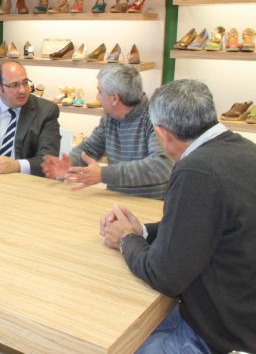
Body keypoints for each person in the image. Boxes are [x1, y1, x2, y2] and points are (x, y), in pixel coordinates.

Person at [100, 79, 256, 354]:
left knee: (113, 342)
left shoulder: (196, 171)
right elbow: (201, 227)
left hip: (218, 335)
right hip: (240, 315)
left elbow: (163, 276)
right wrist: (142, 231)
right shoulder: (244, 149)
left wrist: (126, 239)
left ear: (162, 134)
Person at [42, 64, 173, 199]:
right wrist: (71, 163)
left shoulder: (155, 119)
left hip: (150, 204)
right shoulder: (110, 118)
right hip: (115, 199)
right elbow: (89, 149)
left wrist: (103, 174)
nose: (97, 97)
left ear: (114, 98)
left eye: (100, 91)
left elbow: (162, 166)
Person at [0, 61, 60, 176]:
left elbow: (49, 161)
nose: (23, 90)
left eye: (25, 83)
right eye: (14, 85)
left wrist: (16, 165)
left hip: (26, 181)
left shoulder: (46, 111)